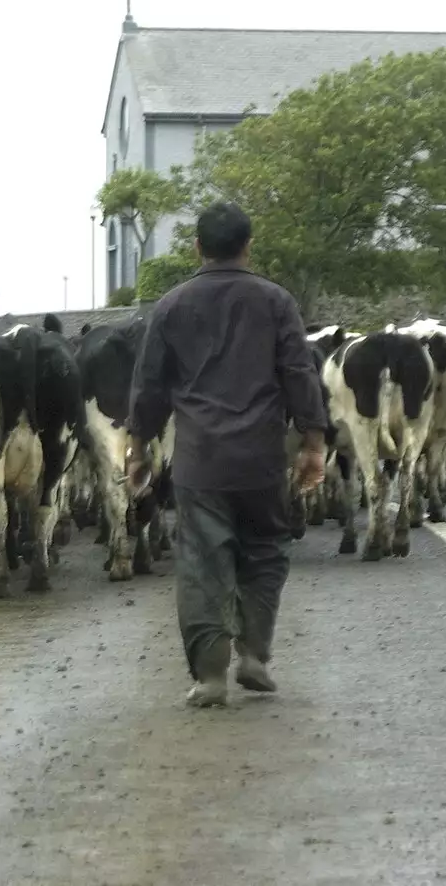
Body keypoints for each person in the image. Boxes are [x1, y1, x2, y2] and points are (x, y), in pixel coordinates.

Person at [125, 200, 328, 708]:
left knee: (200, 561)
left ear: (197, 247)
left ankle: (211, 675)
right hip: (261, 458)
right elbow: (299, 374)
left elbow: (148, 386)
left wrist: (138, 448)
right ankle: (255, 655)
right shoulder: (276, 302)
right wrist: (313, 442)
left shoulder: (170, 306)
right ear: (248, 246)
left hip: (200, 460)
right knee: (264, 552)